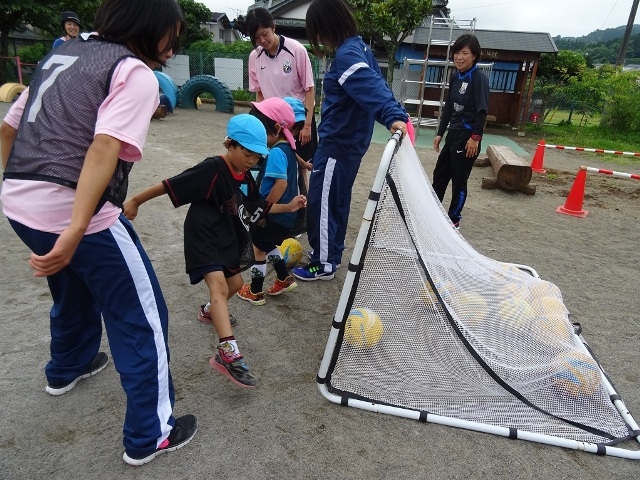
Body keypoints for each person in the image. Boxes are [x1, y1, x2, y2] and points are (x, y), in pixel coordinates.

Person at [0, 0, 196, 467]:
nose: (171, 48)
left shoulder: (64, 51)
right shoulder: (134, 72)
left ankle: (67, 366)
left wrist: (13, 188)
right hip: (81, 218)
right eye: (170, 35)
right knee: (140, 316)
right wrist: (75, 227)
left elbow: (9, 128)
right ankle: (151, 433)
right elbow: (105, 145)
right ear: (147, 27)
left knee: (70, 285)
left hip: (21, 205)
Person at [123, 114, 307, 389]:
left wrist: (289, 206)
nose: (252, 161)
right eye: (247, 154)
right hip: (203, 236)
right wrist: (136, 200)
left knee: (236, 284)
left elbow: (258, 207)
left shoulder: (246, 177)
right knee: (220, 287)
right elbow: (171, 185)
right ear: (230, 144)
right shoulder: (212, 169)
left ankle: (209, 312)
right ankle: (228, 354)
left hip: (226, 237)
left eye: (257, 157)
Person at [292, 0, 409, 282]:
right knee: (337, 201)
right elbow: (377, 86)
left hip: (337, 146)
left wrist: (393, 114)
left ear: (327, 26)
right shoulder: (360, 48)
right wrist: (395, 111)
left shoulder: (347, 55)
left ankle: (323, 263)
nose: (319, 39)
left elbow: (371, 87)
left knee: (321, 202)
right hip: (347, 146)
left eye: (317, 31)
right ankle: (331, 255)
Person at [236, 96, 307, 305]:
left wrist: (262, 212)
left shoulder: (277, 151)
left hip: (274, 214)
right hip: (285, 217)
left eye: (260, 131)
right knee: (268, 245)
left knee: (258, 250)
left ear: (276, 128)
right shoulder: (289, 148)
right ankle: (283, 278)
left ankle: (255, 291)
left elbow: (281, 185)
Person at [246, 7, 318, 166]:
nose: (262, 40)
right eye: (257, 37)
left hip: (298, 119)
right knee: (274, 160)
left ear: (273, 26)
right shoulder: (254, 57)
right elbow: (260, 94)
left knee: (302, 164)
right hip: (273, 120)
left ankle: (302, 191)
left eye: (264, 34)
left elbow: (310, 89)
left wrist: (306, 125)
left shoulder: (296, 50)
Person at [432, 34, 489, 229]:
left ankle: (453, 219)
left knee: (459, 180)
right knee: (440, 174)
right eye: (457, 53)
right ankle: (432, 213)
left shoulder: (478, 78)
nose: (459, 57)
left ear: (474, 56)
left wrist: (475, 138)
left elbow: (482, 110)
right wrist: (440, 132)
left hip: (468, 138)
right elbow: (449, 107)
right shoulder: (455, 76)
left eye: (464, 53)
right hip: (453, 135)